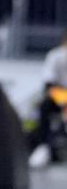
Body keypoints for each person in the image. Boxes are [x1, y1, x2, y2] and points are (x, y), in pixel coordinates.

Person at [27, 29, 67, 168]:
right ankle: (43, 147)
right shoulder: (56, 56)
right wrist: (63, 101)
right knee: (44, 105)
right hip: (59, 95)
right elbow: (49, 84)